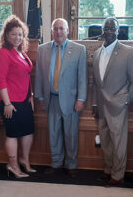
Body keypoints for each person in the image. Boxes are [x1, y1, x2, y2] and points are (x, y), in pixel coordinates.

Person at [35, 18, 87, 178]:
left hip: (71, 101)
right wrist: (40, 97)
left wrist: (81, 99)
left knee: (71, 135)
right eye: (55, 29)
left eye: (61, 29)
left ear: (67, 30)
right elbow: (39, 75)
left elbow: (82, 77)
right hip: (51, 99)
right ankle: (56, 163)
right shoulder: (42, 49)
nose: (58, 32)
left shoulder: (79, 49)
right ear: (51, 31)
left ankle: (71, 164)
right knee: (54, 134)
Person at [92, 17, 133, 186]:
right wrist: (95, 104)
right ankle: (108, 169)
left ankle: (118, 175)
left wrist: (126, 99)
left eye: (113, 29)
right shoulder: (97, 53)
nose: (109, 32)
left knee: (118, 141)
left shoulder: (128, 52)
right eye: (107, 28)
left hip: (118, 105)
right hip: (102, 105)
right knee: (104, 140)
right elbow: (96, 83)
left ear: (119, 31)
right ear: (102, 30)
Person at [0, 15, 35, 178]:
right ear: (6, 36)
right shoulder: (2, 53)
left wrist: (30, 94)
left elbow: (26, 74)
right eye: (13, 34)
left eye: (20, 34)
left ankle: (25, 161)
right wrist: (7, 103)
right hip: (9, 101)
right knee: (13, 133)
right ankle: (13, 165)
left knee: (28, 131)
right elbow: (0, 80)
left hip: (24, 99)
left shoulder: (20, 52)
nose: (17, 37)